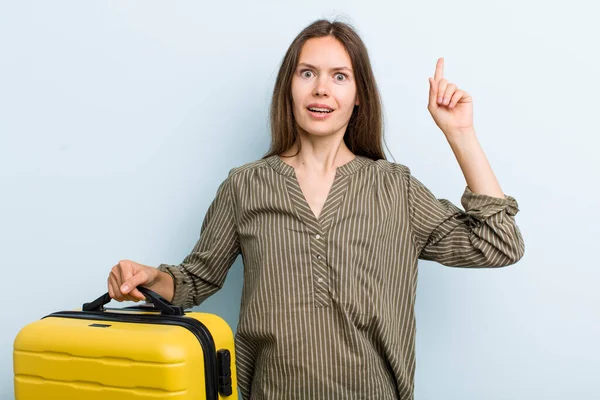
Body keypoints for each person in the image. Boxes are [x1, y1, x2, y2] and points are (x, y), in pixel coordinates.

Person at [106, 18, 525, 400]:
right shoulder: (246, 186)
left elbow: (499, 244)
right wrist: (148, 277)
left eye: (339, 77)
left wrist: (460, 133)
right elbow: (193, 281)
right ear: (289, 87)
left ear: (359, 95)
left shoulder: (395, 189)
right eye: (308, 73)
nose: (321, 89)